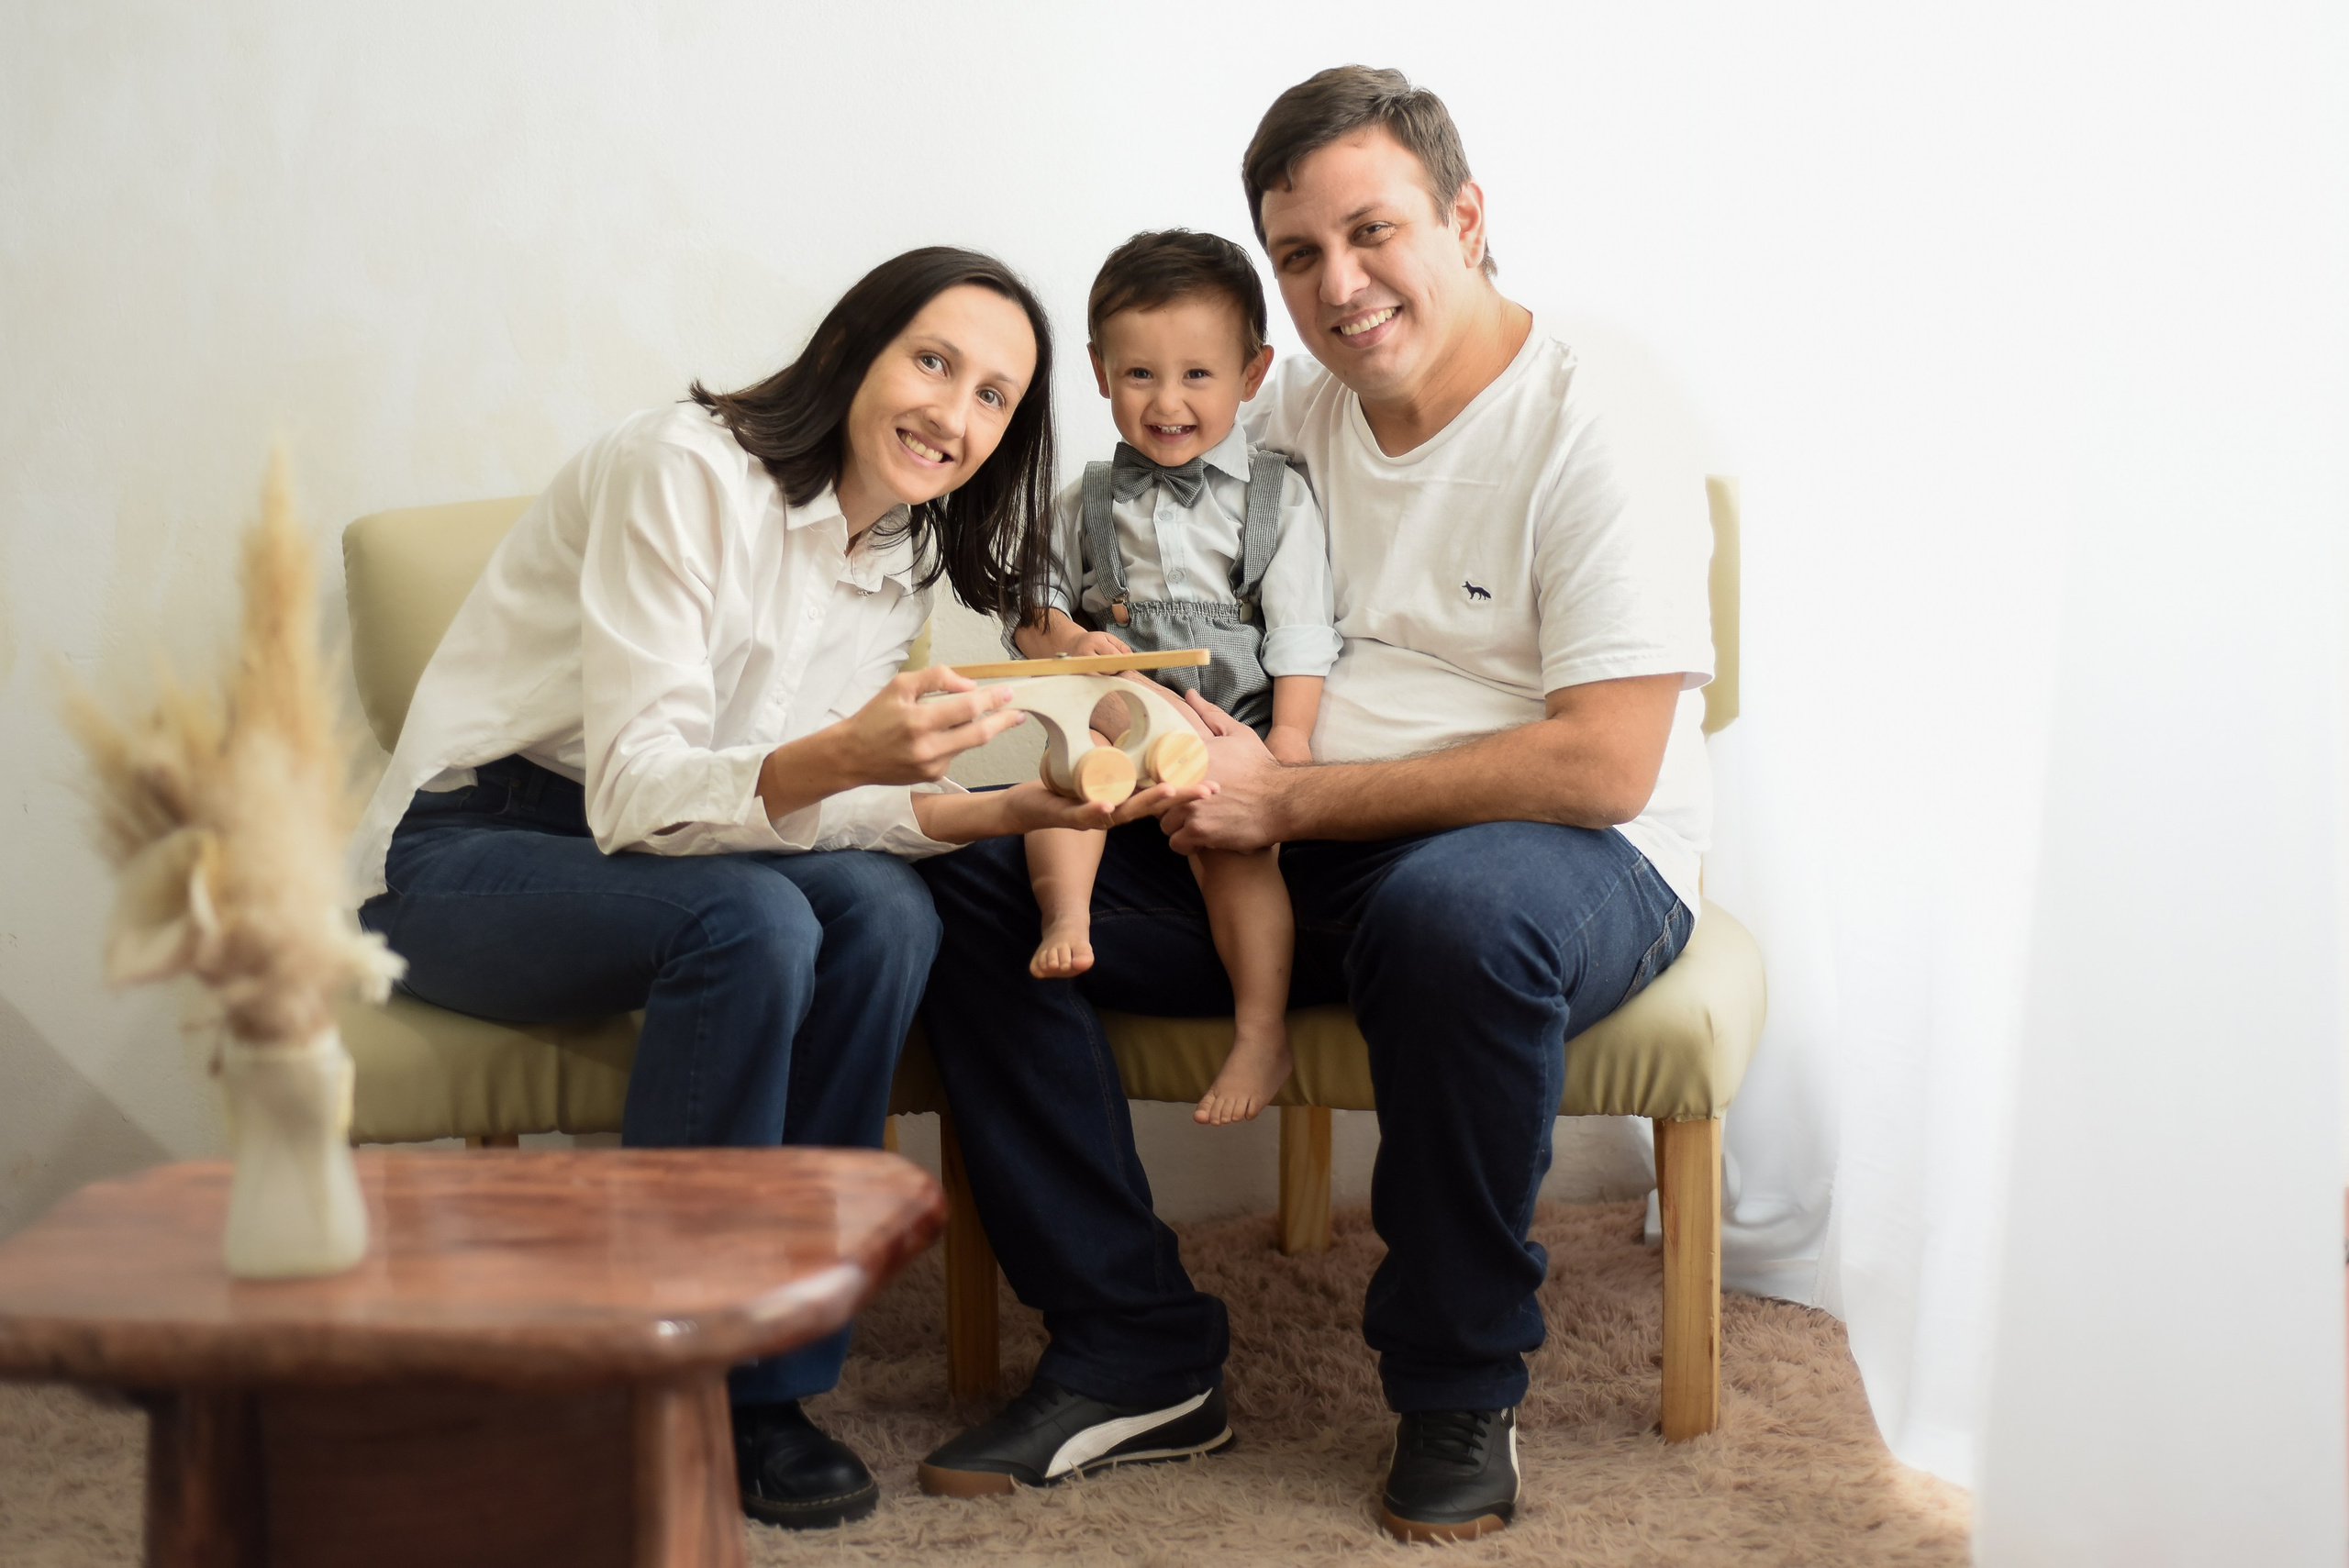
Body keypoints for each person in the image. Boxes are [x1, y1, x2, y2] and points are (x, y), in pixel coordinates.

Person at [912, 70, 1714, 1543]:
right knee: (965, 875)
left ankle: (1457, 1382)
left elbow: (1607, 764)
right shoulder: (1288, 403)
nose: (1342, 287)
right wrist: (1075, 641)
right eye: (1299, 254)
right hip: (1286, 836)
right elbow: (1139, 493)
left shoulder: (1599, 415)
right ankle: (1133, 1343)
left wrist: (1291, 794)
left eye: (1374, 231)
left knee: (1454, 919)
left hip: (1560, 859)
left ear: (1467, 220)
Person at [351, 248, 1201, 1531]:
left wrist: (1017, 806)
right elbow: (641, 794)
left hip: (681, 848)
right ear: (854, 349)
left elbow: (822, 810)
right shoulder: (681, 472)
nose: (953, 415)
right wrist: (840, 754)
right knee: (749, 922)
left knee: (886, 910)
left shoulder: (902, 552)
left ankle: (770, 1384)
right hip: (470, 846)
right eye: (933, 362)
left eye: (993, 398)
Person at [1012, 228, 1340, 1125]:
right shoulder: (1081, 499)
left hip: (1221, 734)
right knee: (1054, 794)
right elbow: (1030, 611)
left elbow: (1302, 634)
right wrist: (1069, 643)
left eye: (1197, 374)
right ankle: (1066, 917)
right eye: (1139, 375)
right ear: (1098, 370)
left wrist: (1289, 742)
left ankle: (1260, 1028)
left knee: (1235, 852)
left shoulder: (1277, 497)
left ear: (1250, 372)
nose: (1166, 402)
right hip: (1117, 720)